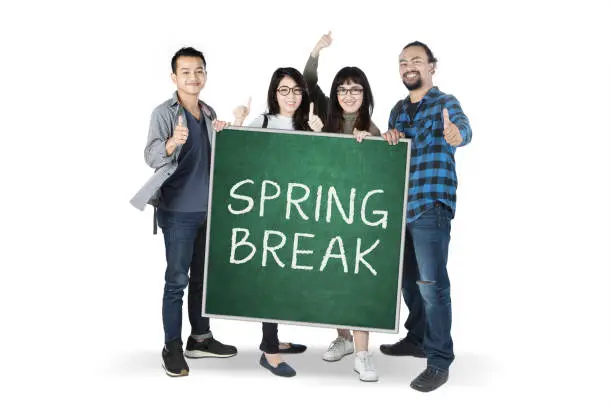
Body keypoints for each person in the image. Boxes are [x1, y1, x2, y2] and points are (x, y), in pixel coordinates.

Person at [130, 47, 237, 377]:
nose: (194, 77)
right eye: (186, 71)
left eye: (199, 71)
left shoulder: (207, 111)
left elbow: (214, 157)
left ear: (205, 75)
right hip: (178, 212)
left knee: (203, 280)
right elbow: (151, 155)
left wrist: (228, 131)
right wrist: (172, 143)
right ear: (174, 77)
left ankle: (200, 339)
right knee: (177, 280)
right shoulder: (164, 113)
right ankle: (172, 346)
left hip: (209, 210)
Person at [380, 41, 472, 392]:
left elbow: (463, 129)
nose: (408, 67)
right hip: (399, 207)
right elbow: (393, 155)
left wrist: (457, 133)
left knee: (432, 286)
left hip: (430, 205)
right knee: (407, 281)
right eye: (403, 62)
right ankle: (416, 338)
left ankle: (438, 360)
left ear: (432, 66)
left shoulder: (446, 103)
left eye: (416, 60)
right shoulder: (398, 109)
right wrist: (389, 138)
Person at [303, 32, 380, 382]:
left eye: (356, 89)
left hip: (359, 217)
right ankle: (343, 338)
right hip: (329, 211)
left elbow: (381, 178)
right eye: (343, 89)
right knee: (333, 276)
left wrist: (373, 144)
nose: (349, 95)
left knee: (358, 281)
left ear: (365, 95)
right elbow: (306, 83)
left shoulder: (373, 128)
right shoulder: (327, 121)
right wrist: (316, 52)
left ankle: (363, 353)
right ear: (336, 95)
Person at [233, 67, 319, 377]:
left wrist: (320, 134)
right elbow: (240, 156)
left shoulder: (308, 125)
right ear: (274, 93)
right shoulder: (264, 122)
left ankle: (275, 339)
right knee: (270, 279)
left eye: (296, 90)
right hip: (270, 213)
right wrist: (239, 122)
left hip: (299, 213)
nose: (291, 96)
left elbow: (321, 167)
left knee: (289, 278)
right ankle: (269, 351)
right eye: (284, 90)